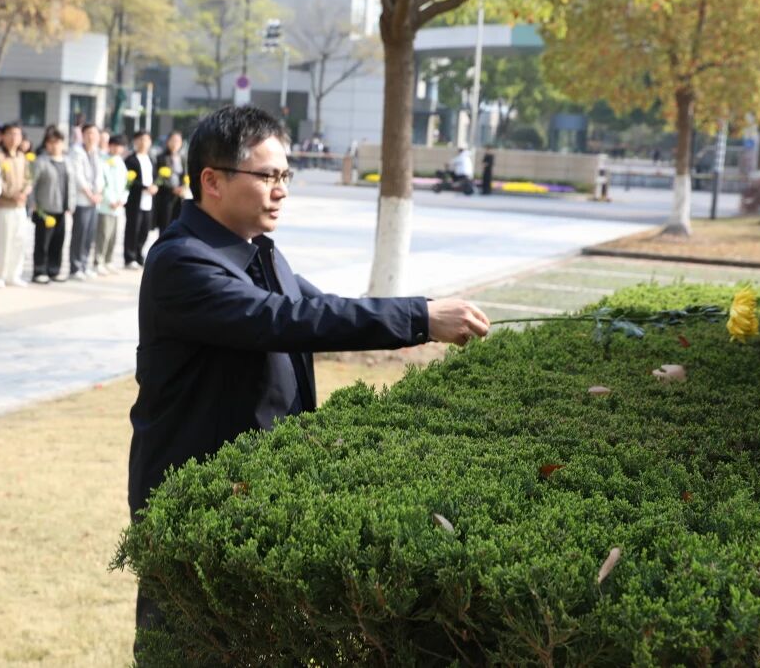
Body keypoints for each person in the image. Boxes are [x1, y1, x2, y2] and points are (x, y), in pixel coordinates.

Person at [127, 106, 491, 636]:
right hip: (192, 497)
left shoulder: (258, 252)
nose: (281, 191)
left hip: (250, 491)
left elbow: (323, 310)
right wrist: (419, 317)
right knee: (188, 642)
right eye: (267, 176)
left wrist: (423, 314)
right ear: (212, 181)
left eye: (285, 176)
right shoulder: (183, 262)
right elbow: (284, 320)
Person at [0, 121, 31, 288]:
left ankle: (14, 274)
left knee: (19, 240)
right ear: (3, 136)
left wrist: (25, 192)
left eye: (17, 134)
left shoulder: (22, 157)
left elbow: (29, 178)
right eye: (10, 134)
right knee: (3, 241)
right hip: (3, 205)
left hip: (20, 206)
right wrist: (11, 194)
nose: (14, 138)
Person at [31, 126, 73, 283]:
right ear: (46, 144)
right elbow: (31, 185)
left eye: (58, 142)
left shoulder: (67, 161)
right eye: (51, 142)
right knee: (42, 242)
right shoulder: (41, 161)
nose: (54, 145)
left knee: (58, 241)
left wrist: (71, 204)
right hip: (44, 209)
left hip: (62, 209)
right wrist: (33, 204)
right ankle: (39, 271)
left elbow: (71, 185)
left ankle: (54, 270)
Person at [68, 123, 103, 280]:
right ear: (82, 135)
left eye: (94, 133)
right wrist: (90, 194)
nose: (91, 136)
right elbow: (78, 176)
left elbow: (100, 176)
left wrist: (99, 193)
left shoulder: (96, 152)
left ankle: (84, 265)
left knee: (89, 235)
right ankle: (75, 267)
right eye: (88, 133)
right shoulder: (76, 151)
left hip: (94, 201)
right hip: (82, 200)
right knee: (79, 234)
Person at [94, 134, 128, 276]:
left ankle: (108, 261)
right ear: (109, 146)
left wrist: (123, 199)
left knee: (113, 236)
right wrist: (111, 200)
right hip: (106, 206)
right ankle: (98, 262)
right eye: (114, 145)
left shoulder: (121, 162)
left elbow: (126, 183)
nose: (116, 148)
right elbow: (104, 184)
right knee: (103, 234)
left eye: (119, 146)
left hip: (118, 207)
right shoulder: (103, 161)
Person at [123, 130, 157, 269]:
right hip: (135, 200)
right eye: (141, 139)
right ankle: (129, 257)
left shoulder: (151, 159)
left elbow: (154, 177)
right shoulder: (130, 160)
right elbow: (128, 180)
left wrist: (155, 186)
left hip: (148, 201)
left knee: (145, 230)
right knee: (133, 229)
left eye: (146, 140)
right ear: (135, 141)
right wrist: (144, 187)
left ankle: (139, 254)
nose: (144, 143)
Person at [153, 130, 187, 234]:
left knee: (177, 225)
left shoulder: (182, 158)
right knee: (165, 225)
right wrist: (172, 188)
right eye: (173, 140)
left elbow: (185, 176)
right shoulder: (161, 158)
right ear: (168, 142)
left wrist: (183, 187)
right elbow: (158, 178)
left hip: (179, 197)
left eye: (178, 141)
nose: (175, 143)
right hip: (165, 196)